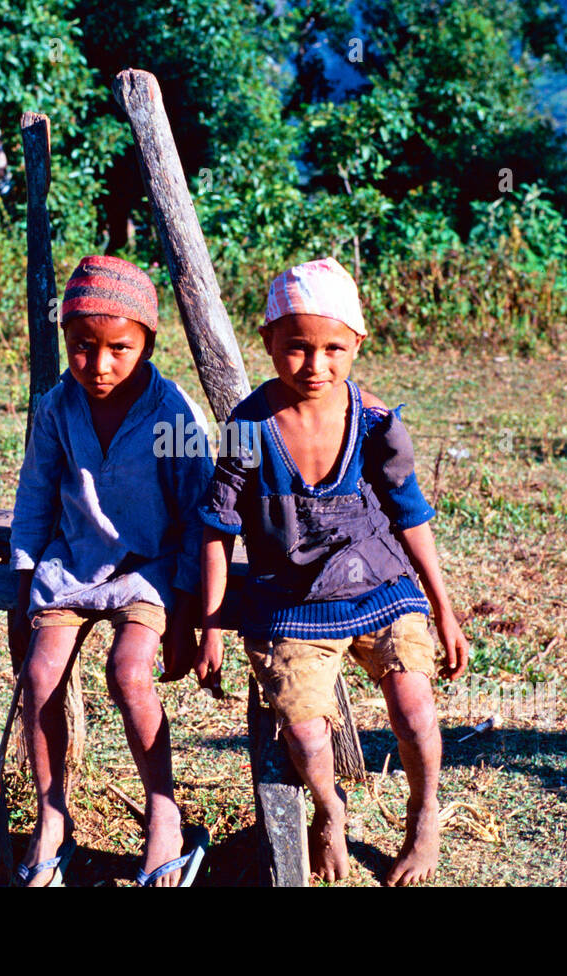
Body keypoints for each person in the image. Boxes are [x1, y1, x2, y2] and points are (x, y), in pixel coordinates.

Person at [196, 256, 470, 886]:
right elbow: (217, 529)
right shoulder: (251, 427)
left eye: (333, 349)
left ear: (357, 346)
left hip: (380, 585)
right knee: (307, 735)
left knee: (414, 710)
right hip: (291, 601)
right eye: (296, 348)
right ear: (267, 342)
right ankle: (329, 809)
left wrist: (443, 608)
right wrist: (211, 627)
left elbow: (409, 515)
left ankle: (424, 814)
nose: (315, 366)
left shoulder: (374, 422)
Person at [10, 255, 212, 886]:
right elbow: (36, 494)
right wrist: (23, 583)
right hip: (72, 564)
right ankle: (51, 814)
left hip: (150, 569)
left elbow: (198, 514)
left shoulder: (170, 411)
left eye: (119, 349)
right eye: (82, 348)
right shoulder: (55, 408)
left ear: (148, 342)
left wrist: (188, 614)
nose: (99, 365)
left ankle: (163, 811)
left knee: (128, 674)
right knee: (39, 677)